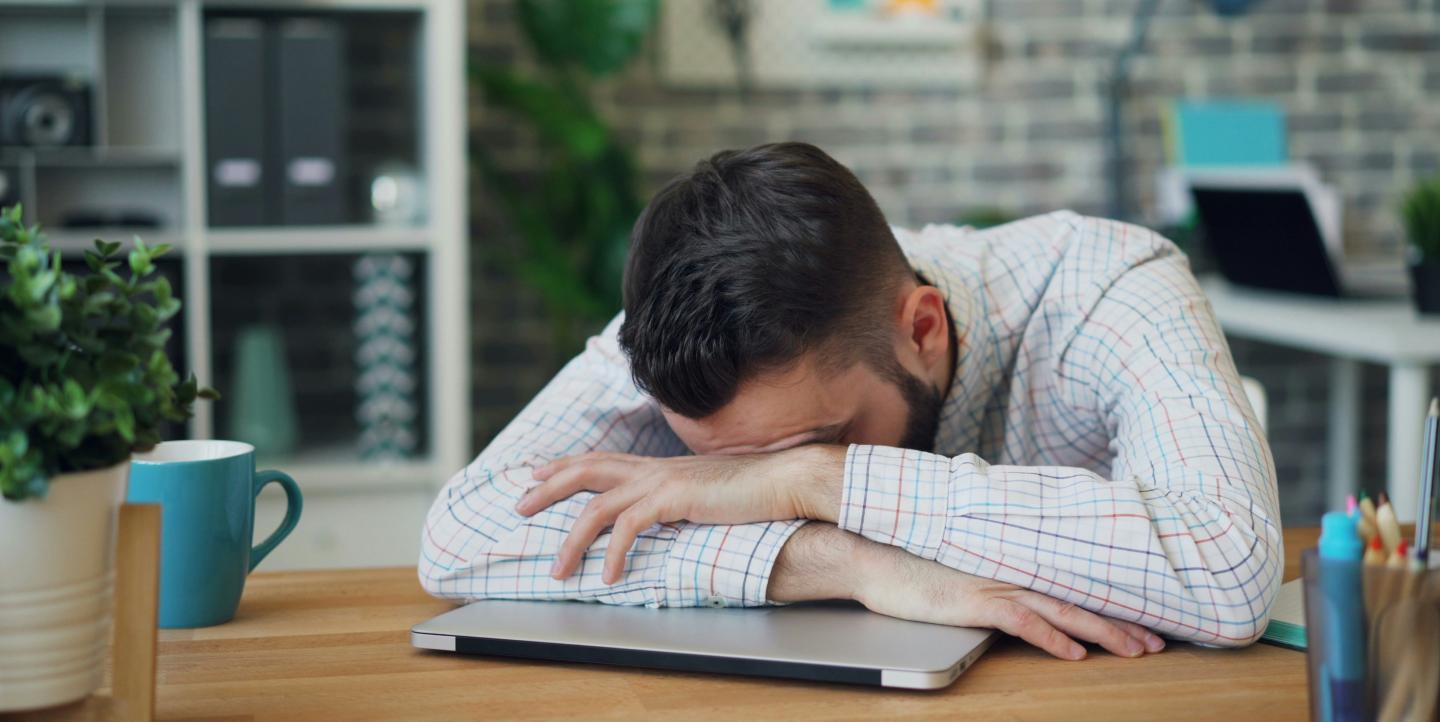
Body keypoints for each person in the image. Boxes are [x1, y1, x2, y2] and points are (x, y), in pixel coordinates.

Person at [420, 142, 1281, 660]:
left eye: (808, 440)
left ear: (923, 328)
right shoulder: (678, 332)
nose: (745, 485)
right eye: (728, 465)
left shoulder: (1110, 285)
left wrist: (816, 482)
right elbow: (459, 537)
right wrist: (841, 562)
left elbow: (1229, 567)